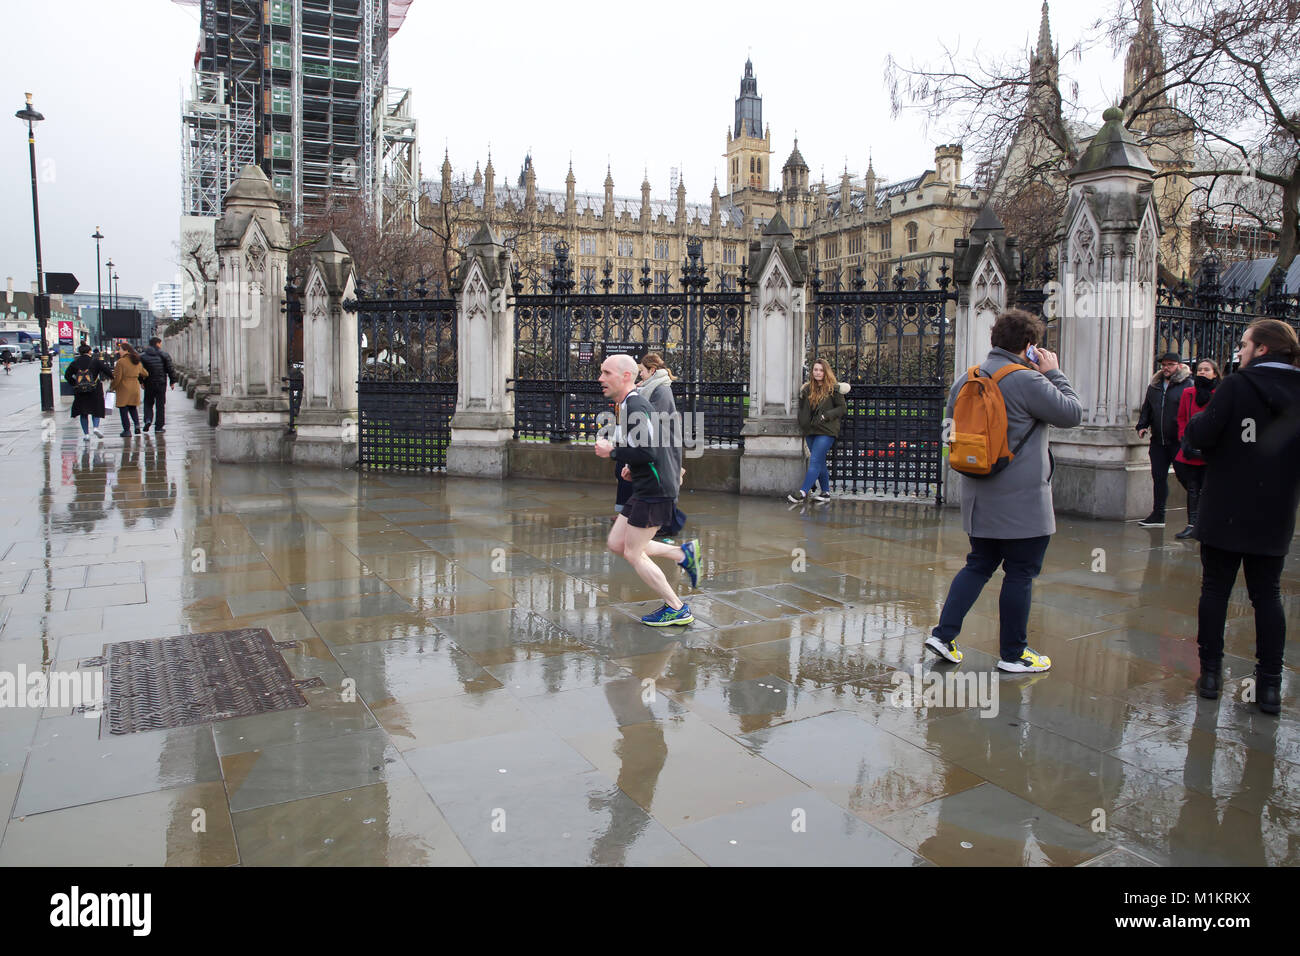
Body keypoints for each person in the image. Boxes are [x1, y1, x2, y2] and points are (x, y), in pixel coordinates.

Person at [924, 308, 1083, 673]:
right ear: (1030, 347)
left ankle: (943, 635)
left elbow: (948, 435)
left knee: (978, 564)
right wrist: (1053, 371)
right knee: (1020, 572)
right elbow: (1073, 414)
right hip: (1025, 501)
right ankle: (1014, 654)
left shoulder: (966, 378)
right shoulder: (1029, 380)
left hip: (978, 495)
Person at [1185, 319, 1300, 715]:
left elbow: (1202, 434)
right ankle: (1269, 686)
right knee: (1266, 595)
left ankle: (1211, 675)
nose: (1241, 350)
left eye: (1245, 343)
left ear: (1263, 349)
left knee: (1215, 590)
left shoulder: (1237, 384)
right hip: (1275, 510)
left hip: (1226, 507)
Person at [594, 353, 701, 626]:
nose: (600, 378)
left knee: (633, 552)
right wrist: (632, 463)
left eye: (606, 373)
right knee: (617, 543)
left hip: (655, 488)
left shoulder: (635, 405)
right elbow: (651, 444)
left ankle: (677, 607)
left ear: (626, 376)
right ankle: (683, 554)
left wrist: (613, 451)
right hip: (646, 483)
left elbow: (647, 448)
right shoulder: (631, 403)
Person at [1135, 351, 1192, 527]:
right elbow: (1147, 409)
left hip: (1178, 441)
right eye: (1164, 365)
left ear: (1179, 366)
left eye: (1170, 365)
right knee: (1158, 477)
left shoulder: (1188, 385)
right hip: (1159, 441)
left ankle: (1195, 519)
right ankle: (1158, 515)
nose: (1166, 368)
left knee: (1187, 479)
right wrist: (1142, 425)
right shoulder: (1155, 385)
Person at [636, 352, 688, 539]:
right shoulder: (653, 387)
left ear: (652, 370)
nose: (640, 374)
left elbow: (653, 417)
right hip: (661, 443)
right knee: (663, 482)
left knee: (665, 482)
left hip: (665, 444)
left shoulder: (661, 390)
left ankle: (669, 523)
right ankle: (665, 521)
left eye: (642, 370)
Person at [788, 358, 848, 503]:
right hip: (810, 430)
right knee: (820, 461)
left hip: (826, 430)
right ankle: (826, 492)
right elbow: (803, 409)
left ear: (826, 371)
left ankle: (802, 492)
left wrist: (826, 416)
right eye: (815, 370)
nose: (818, 372)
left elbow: (842, 408)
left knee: (814, 460)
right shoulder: (807, 389)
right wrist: (804, 423)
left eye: (821, 370)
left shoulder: (834, 389)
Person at [1172, 358, 1220, 539]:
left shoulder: (1220, 393)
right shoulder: (1188, 393)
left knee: (1208, 487)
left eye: (1206, 370)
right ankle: (1192, 524)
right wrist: (1185, 439)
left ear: (1214, 373)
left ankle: (1208, 522)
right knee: (1192, 488)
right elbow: (1182, 418)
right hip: (1190, 446)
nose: (1202, 372)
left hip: (1209, 449)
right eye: (1200, 369)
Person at [64, 343, 112, 440]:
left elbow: (67, 376)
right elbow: (108, 372)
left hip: (80, 391)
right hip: (95, 389)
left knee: (83, 412)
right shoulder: (95, 361)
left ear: (80, 352)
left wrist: (75, 384)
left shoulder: (75, 363)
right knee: (96, 410)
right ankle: (95, 427)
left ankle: (86, 434)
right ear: (90, 351)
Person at [109, 341, 149, 437]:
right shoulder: (136, 360)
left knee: (123, 409)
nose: (119, 351)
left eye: (120, 349)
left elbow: (117, 377)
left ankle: (127, 430)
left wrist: (112, 387)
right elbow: (145, 373)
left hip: (124, 387)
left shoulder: (121, 362)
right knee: (133, 408)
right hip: (134, 386)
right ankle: (137, 425)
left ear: (126, 350)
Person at [139, 336, 177, 433]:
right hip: (161, 383)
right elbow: (170, 368)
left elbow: (139, 370)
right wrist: (172, 381)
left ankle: (148, 419)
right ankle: (159, 427)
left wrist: (141, 382)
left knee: (148, 403)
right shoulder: (164, 355)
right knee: (160, 405)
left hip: (149, 383)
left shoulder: (143, 356)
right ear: (157, 344)